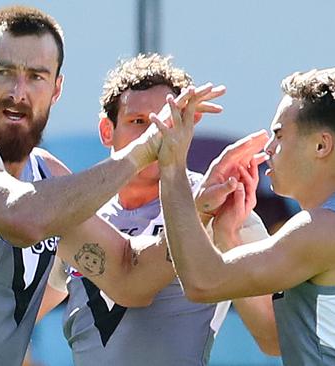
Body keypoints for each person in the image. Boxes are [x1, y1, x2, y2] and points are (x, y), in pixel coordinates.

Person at [0, 6, 226, 366]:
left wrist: (197, 211)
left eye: (36, 76)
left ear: (57, 88)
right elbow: (21, 216)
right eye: (4, 72)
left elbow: (128, 277)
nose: (18, 92)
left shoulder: (47, 177)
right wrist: (144, 149)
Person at [154, 68, 335, 365]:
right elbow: (275, 339)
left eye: (279, 134)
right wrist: (230, 237)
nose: (270, 148)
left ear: (322, 146)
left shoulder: (325, 228)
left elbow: (202, 282)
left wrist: (171, 167)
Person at [36, 54, 277, 365]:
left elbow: (272, 338)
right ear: (107, 131)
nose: (154, 134)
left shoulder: (221, 205)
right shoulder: (80, 212)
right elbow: (19, 317)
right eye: (138, 122)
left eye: (167, 120)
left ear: (188, 125)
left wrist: (227, 238)